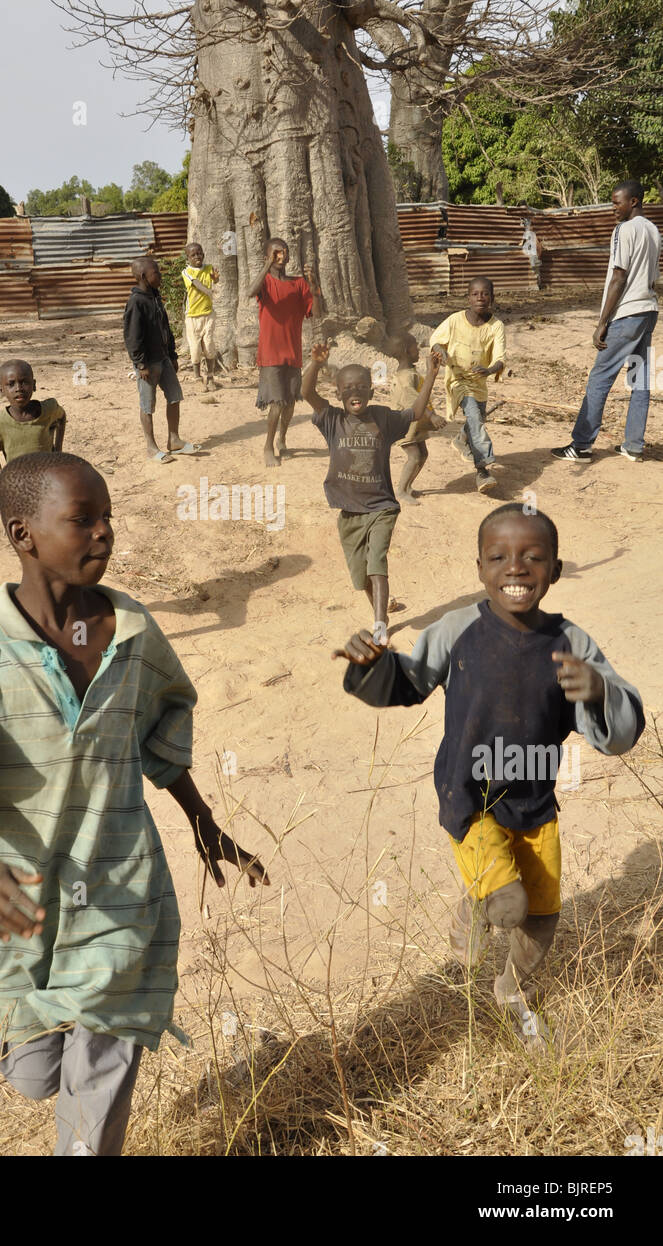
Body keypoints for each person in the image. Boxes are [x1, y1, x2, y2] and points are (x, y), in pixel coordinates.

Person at [0, 452, 267, 1156]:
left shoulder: (131, 633)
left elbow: (162, 741)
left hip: (122, 886)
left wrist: (206, 826)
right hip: (22, 895)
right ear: (23, 534)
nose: (104, 534)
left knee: (97, 1070)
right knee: (38, 1071)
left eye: (108, 519)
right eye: (82, 520)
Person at [333, 503, 644, 1048]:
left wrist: (598, 691)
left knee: (541, 925)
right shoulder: (458, 629)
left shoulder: (572, 644)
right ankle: (481, 898)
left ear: (556, 569)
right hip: (469, 800)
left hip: (535, 804)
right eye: (499, 556)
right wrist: (372, 666)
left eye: (533, 557)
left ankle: (512, 992)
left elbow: (618, 731)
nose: (516, 568)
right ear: (480, 567)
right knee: (510, 904)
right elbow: (407, 682)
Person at [302, 341, 442, 640]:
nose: (355, 392)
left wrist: (431, 374)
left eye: (362, 386)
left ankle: (380, 624)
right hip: (349, 512)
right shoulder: (332, 420)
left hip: (381, 507)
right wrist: (315, 363)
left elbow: (416, 411)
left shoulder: (383, 418)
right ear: (339, 394)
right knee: (360, 575)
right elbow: (307, 394)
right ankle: (382, 605)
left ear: (372, 391)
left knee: (377, 562)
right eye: (348, 388)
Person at [552, 180, 661, 464]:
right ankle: (634, 446)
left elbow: (619, 276)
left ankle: (582, 445)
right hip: (648, 311)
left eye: (617, 202)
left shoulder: (624, 229)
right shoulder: (653, 230)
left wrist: (602, 322)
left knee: (600, 377)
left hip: (626, 314)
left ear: (633, 201)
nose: (613, 208)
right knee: (639, 379)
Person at [247, 237, 322, 467]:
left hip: (293, 352)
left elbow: (316, 313)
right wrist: (266, 265)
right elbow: (251, 291)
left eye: (284, 252)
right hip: (270, 354)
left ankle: (282, 439)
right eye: (275, 252)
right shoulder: (265, 283)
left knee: (289, 402)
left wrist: (314, 286)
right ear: (268, 257)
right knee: (277, 403)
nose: (281, 255)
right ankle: (268, 446)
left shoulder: (298, 284)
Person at [429, 277, 506, 494]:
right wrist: (440, 351)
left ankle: (461, 438)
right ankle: (482, 470)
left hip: (479, 383)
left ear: (492, 297)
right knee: (474, 417)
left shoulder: (496, 326)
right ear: (468, 297)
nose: (480, 298)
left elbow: (500, 358)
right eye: (475, 294)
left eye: (485, 294)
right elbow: (436, 340)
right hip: (457, 380)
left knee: (477, 420)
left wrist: (489, 370)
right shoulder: (454, 320)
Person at [124, 255, 199, 463]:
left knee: (175, 397)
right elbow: (132, 337)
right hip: (147, 363)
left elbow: (165, 327)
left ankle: (174, 440)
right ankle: (151, 447)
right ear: (143, 276)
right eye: (156, 272)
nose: (160, 275)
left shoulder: (155, 296)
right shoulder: (136, 302)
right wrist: (140, 364)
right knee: (148, 405)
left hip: (164, 359)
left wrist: (173, 354)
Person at [0, 360, 66, 478]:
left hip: (48, 479)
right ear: (1, 390)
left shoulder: (48, 410)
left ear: (34, 385)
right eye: (11, 384)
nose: (18, 388)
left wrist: (58, 451)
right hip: (19, 484)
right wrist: (2, 478)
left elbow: (61, 417)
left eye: (24, 382)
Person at [393, 333, 447, 502]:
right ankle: (401, 490)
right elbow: (413, 400)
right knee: (414, 456)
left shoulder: (411, 372)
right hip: (405, 425)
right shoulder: (404, 378)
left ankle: (408, 486)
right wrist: (432, 416)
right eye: (415, 347)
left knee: (423, 454)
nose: (418, 350)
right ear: (404, 351)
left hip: (416, 424)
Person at [181, 241, 220, 391]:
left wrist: (215, 279)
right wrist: (209, 291)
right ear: (188, 258)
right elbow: (196, 284)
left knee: (209, 346)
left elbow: (215, 280)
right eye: (193, 255)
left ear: (203, 254)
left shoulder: (209, 268)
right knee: (195, 349)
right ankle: (197, 378)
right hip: (192, 317)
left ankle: (210, 377)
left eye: (199, 253)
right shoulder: (187, 272)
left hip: (208, 315)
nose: (197, 256)